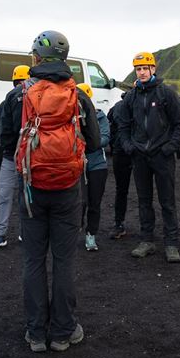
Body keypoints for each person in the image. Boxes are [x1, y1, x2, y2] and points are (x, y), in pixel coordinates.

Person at [18, 30, 100, 353]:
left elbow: (7, 136)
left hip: (32, 189)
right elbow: (94, 143)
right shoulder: (78, 96)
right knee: (64, 260)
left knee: (33, 260)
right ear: (65, 59)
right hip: (68, 189)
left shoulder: (22, 93)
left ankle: (37, 334)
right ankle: (63, 332)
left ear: (36, 58)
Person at [116, 51, 180, 263]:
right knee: (144, 200)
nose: (142, 72)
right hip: (140, 157)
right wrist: (130, 147)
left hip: (162, 156)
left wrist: (169, 148)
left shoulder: (166, 94)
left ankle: (171, 244)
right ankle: (147, 240)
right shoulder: (131, 97)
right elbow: (123, 125)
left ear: (153, 69)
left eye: (145, 68)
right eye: (138, 69)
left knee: (167, 201)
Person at [0, 64, 30, 250]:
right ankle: (0, 234)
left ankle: (26, 233)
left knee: (25, 196)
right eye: (18, 82)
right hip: (11, 157)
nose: (21, 85)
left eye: (23, 81)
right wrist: (11, 147)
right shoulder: (6, 103)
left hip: (26, 157)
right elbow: (0, 128)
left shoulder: (36, 101)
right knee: (5, 195)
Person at [77, 83, 110, 251]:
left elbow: (104, 138)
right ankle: (76, 229)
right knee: (80, 201)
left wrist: (87, 143)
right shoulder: (71, 117)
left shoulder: (100, 116)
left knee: (94, 202)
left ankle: (91, 234)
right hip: (77, 165)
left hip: (97, 164)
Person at [107, 93, 133, 239]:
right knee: (144, 192)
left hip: (120, 151)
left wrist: (113, 143)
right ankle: (146, 228)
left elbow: (109, 124)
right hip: (133, 151)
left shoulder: (116, 107)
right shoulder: (136, 105)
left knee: (121, 190)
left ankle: (119, 224)